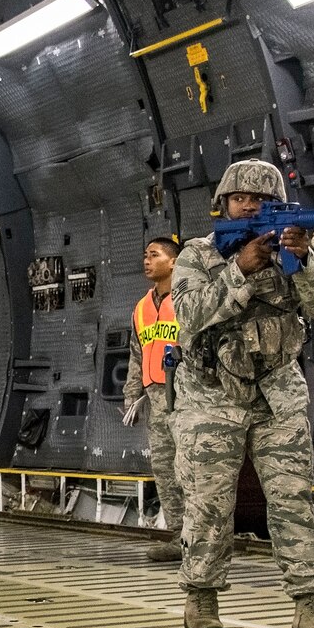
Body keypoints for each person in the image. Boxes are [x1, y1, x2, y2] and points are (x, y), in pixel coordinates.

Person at [171, 159, 314, 628]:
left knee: (294, 498)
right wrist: (240, 271)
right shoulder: (197, 255)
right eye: (239, 197)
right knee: (209, 500)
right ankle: (201, 595)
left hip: (278, 388)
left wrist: (305, 261)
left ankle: (310, 606)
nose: (249, 204)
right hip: (210, 391)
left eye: (261, 198)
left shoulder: (289, 251)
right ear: (223, 205)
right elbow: (188, 313)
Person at [123, 236, 184, 561]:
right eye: (145, 255)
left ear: (174, 261)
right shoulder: (142, 307)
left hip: (188, 399)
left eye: (154, 255)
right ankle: (179, 537)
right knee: (164, 470)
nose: (147, 261)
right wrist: (133, 394)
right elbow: (136, 354)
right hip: (156, 400)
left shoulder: (189, 299)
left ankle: (205, 541)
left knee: (192, 471)